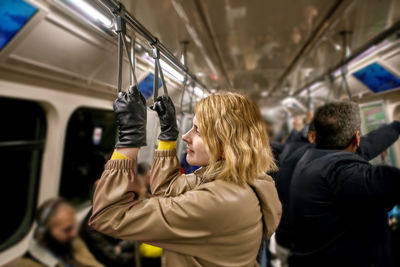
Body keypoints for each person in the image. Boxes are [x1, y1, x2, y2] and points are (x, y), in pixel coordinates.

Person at [89, 87, 282, 267]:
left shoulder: (217, 201)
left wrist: (129, 139)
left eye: (198, 131)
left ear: (225, 144)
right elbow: (167, 191)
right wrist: (168, 136)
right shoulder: (238, 177)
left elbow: (108, 215)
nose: (186, 136)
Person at [275, 116, 400, 267]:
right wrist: (396, 125)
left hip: (288, 240)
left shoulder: (294, 151)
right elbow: (365, 148)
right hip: (310, 248)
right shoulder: (322, 162)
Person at [16, 198, 103, 267]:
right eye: (67, 230)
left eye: (73, 227)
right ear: (44, 233)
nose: (74, 233)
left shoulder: (73, 243)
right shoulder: (27, 264)